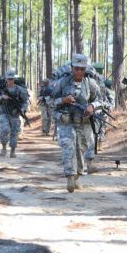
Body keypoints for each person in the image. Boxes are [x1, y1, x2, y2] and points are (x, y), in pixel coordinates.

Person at [51, 54, 102, 193]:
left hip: (84, 123)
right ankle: (70, 177)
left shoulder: (90, 83)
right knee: (68, 148)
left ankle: (77, 175)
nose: (79, 72)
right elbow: (50, 102)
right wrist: (63, 101)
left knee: (80, 151)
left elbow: (100, 101)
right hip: (66, 123)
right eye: (76, 68)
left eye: (82, 69)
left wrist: (92, 106)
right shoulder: (62, 82)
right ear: (72, 68)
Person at [0, 69, 29, 158]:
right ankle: (4, 147)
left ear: (14, 79)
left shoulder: (19, 89)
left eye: (12, 79)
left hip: (15, 113)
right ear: (6, 79)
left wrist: (22, 109)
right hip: (4, 112)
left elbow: (25, 102)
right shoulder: (1, 89)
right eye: (9, 79)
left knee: (14, 132)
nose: (10, 81)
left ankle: (13, 150)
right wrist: (2, 97)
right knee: (4, 130)